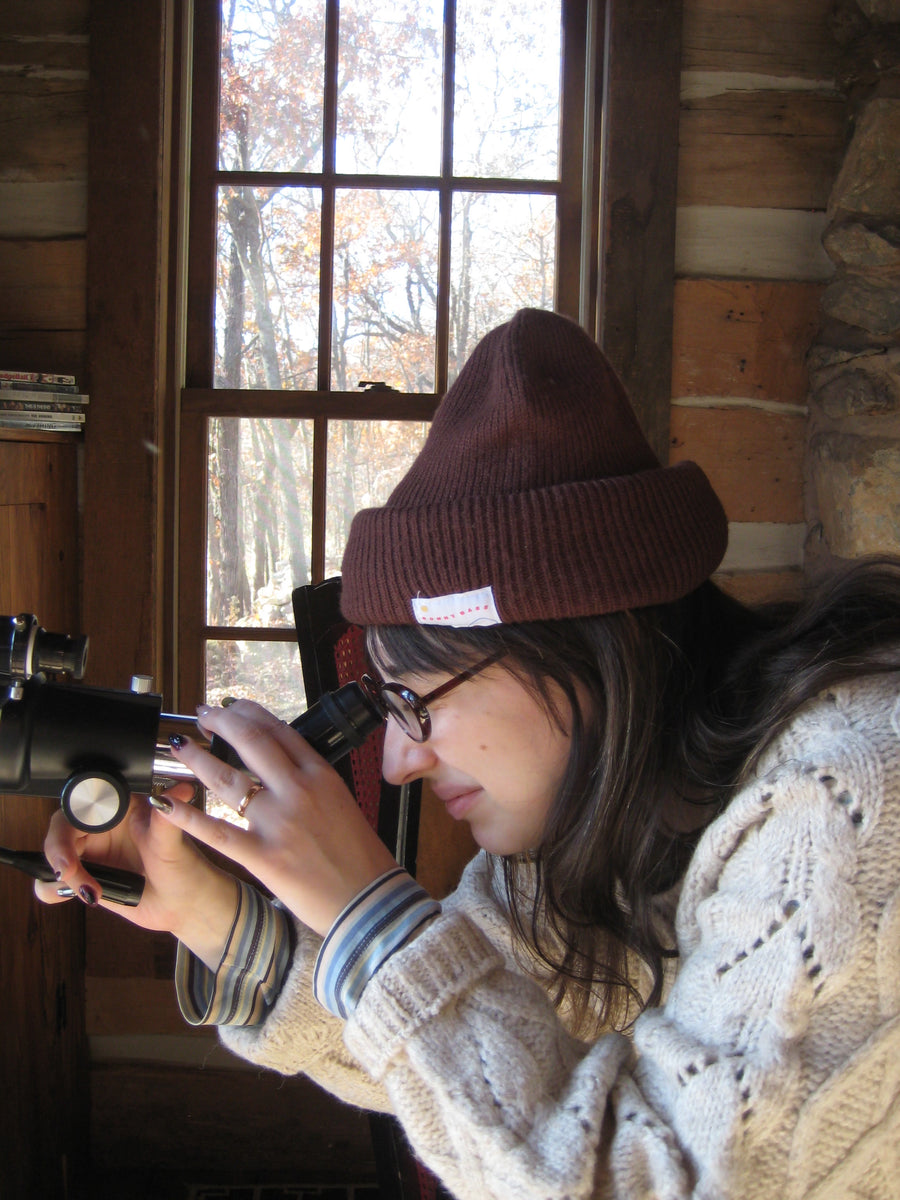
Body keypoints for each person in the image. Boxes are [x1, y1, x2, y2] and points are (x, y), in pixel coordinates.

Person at [39, 308, 900, 1199]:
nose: (401, 763)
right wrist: (209, 910)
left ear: (575, 643)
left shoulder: (852, 791)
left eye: (415, 702)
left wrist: (371, 912)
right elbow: (474, 1077)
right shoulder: (594, 829)